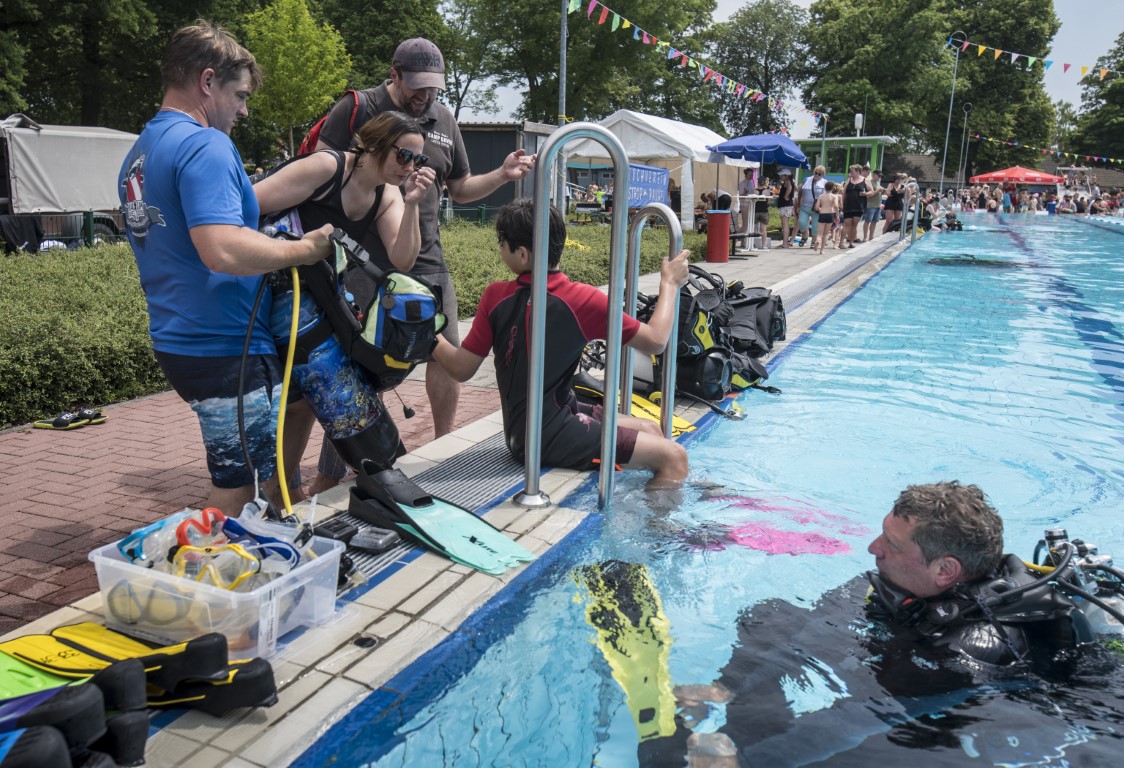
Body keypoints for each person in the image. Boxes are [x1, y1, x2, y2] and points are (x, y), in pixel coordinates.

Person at [638, 482, 1097, 767]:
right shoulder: (907, 580)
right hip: (905, 656)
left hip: (974, 715)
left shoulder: (973, 646)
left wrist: (747, 759)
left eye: (892, 545)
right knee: (771, 614)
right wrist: (731, 684)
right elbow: (825, 619)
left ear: (945, 570)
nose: (873, 548)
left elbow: (862, 713)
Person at [118, 21, 333, 515]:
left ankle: (254, 552)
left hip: (179, 340)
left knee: (255, 476)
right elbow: (222, 249)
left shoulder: (141, 152)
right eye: (240, 95)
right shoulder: (206, 144)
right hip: (227, 348)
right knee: (242, 486)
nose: (244, 110)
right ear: (207, 81)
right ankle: (206, 562)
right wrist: (305, 250)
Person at [312, 38, 536, 439]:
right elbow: (322, 171)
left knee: (445, 351)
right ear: (394, 75)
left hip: (425, 256)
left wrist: (503, 175)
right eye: (417, 86)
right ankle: (352, 456)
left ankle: (443, 444)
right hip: (365, 261)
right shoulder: (360, 108)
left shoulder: (444, 120)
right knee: (365, 359)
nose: (425, 96)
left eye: (433, 87)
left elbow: (461, 188)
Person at [431, 198, 690, 488]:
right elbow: (656, 340)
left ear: (523, 254)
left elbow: (461, 368)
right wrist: (669, 284)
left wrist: (429, 333)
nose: (500, 250)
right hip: (548, 436)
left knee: (651, 429)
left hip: (525, 433)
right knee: (675, 458)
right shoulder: (581, 299)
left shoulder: (496, 297)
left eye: (501, 244)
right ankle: (652, 516)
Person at [253, 112, 437, 496]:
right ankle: (274, 493)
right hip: (272, 288)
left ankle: (281, 494)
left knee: (301, 404)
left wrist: (413, 204)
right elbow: (245, 204)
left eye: (418, 160)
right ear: (373, 144)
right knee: (312, 392)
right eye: (404, 155)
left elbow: (403, 259)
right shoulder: (327, 168)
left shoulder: (386, 193)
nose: (410, 167)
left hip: (314, 290)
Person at [796, 166, 826, 247]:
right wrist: (798, 205)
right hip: (804, 206)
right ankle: (804, 237)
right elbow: (800, 193)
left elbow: (825, 197)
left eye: (819, 174)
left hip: (816, 209)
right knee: (801, 222)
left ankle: (813, 241)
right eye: (816, 173)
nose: (817, 175)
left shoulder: (824, 183)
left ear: (823, 175)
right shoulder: (806, 180)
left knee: (815, 226)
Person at [841, 163, 868, 247]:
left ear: (858, 171)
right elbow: (843, 193)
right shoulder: (848, 181)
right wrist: (842, 204)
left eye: (852, 171)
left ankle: (851, 242)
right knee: (846, 223)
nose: (850, 173)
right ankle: (841, 243)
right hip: (848, 205)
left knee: (854, 224)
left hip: (859, 205)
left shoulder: (865, 180)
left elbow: (871, 191)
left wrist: (865, 194)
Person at [812, 180, 839, 255]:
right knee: (826, 233)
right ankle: (822, 250)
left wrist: (821, 209)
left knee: (819, 233)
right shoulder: (834, 196)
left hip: (822, 214)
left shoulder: (821, 196)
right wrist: (837, 214)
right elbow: (836, 206)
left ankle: (817, 240)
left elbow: (816, 207)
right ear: (832, 188)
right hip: (830, 214)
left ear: (825, 187)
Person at [775, 169, 796, 247]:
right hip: (787, 205)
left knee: (785, 225)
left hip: (785, 205)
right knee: (785, 224)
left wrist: (786, 196)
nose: (780, 177)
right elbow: (795, 188)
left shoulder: (787, 181)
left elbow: (790, 187)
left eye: (782, 175)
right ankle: (785, 242)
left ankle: (785, 243)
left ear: (786, 176)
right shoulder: (791, 181)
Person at [862, 169, 883, 242]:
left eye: (880, 176)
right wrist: (877, 191)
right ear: (874, 175)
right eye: (878, 176)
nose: (879, 177)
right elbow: (868, 195)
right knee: (867, 221)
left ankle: (871, 236)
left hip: (878, 205)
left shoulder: (878, 183)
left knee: (874, 221)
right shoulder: (869, 182)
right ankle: (865, 237)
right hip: (871, 205)